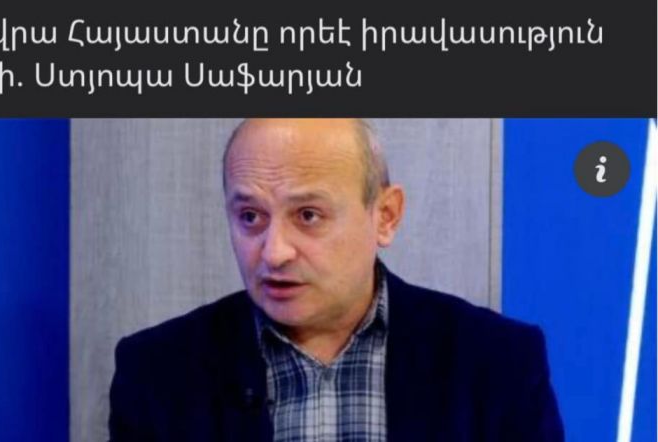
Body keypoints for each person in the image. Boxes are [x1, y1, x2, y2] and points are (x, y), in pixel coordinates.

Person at [108, 119, 564, 441]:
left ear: (385, 216)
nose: (274, 252)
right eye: (250, 216)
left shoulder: (497, 363)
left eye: (308, 215)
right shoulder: (157, 372)